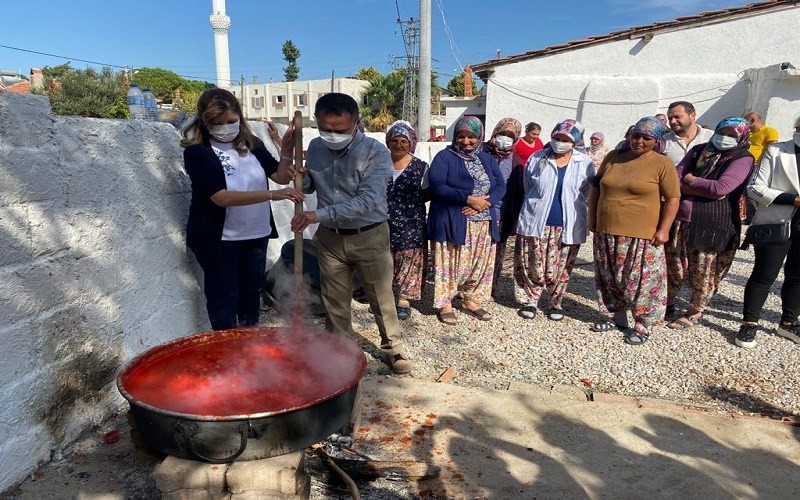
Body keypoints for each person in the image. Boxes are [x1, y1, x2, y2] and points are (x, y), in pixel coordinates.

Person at [290, 93, 411, 374]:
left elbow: (367, 200)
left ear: (356, 122)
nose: (331, 135)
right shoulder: (316, 147)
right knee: (335, 300)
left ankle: (393, 349)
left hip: (369, 234)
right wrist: (303, 177)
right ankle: (340, 352)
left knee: (380, 297)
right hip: (331, 239)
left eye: (340, 130)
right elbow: (310, 187)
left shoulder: (375, 152)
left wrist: (314, 215)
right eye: (325, 129)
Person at [181, 88, 304, 330]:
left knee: (250, 295)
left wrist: (286, 151)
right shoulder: (198, 152)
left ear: (240, 117)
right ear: (205, 121)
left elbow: (279, 176)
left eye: (231, 121)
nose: (225, 127)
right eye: (216, 123)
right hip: (218, 240)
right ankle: (227, 352)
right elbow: (220, 197)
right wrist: (272, 195)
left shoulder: (251, 144)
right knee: (223, 299)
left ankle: (249, 349)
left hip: (255, 234)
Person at [588, 116, 681, 345]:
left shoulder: (662, 163)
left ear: (656, 140)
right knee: (608, 276)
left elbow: (673, 198)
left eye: (646, 138)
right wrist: (592, 217)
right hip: (607, 229)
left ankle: (643, 324)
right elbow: (596, 189)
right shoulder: (613, 157)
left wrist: (664, 229)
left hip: (642, 234)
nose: (639, 141)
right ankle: (615, 317)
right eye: (636, 135)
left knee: (640, 281)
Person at [665, 117, 754, 329]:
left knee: (704, 270)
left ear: (741, 136)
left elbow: (721, 189)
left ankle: (695, 311)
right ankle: (666, 302)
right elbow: (674, 179)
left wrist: (691, 180)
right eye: (722, 132)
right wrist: (692, 185)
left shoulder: (742, 158)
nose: (724, 138)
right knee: (673, 265)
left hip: (714, 224)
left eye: (731, 135)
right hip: (682, 218)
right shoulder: (699, 150)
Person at [514, 120, 595, 321]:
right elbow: (528, 186)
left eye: (565, 139)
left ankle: (555, 303)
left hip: (567, 223)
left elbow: (586, 191)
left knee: (561, 266)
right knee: (534, 263)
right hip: (537, 220)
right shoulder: (537, 157)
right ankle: (531, 300)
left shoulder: (584, 162)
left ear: (575, 141)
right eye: (557, 138)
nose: (560, 142)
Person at [428, 116, 506, 325]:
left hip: (483, 223)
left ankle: (470, 298)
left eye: (471, 136)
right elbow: (437, 186)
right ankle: (445, 302)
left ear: (479, 136)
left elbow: (500, 186)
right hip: (453, 220)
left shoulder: (487, 158)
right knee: (450, 264)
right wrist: (469, 199)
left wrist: (486, 204)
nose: (466, 141)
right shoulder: (444, 157)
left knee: (477, 264)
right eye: (461, 136)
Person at [734, 118, 800, 349]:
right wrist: (792, 199)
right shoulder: (777, 151)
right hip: (777, 221)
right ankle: (749, 322)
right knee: (764, 274)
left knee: (797, 276)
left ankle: (789, 322)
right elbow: (754, 188)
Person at [385, 120, 428, 321]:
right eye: (395, 140)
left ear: (411, 143)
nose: (399, 145)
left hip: (411, 222)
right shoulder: (380, 163)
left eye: (404, 141)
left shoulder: (421, 167)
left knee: (409, 259)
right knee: (384, 260)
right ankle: (384, 297)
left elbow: (428, 193)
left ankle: (404, 299)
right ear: (388, 142)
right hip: (383, 221)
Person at [484, 117, 522, 299]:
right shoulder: (481, 151)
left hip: (501, 216)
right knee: (477, 252)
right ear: (495, 132)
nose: (505, 138)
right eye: (502, 134)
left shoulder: (516, 160)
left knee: (497, 253)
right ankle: (470, 289)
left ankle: (490, 289)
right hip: (478, 212)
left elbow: (517, 193)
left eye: (510, 136)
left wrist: (514, 220)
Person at [742, 111, 780, 223]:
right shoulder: (749, 133)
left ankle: (755, 218)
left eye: (746, 121)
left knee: (753, 191)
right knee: (746, 192)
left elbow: (773, 148)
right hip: (745, 165)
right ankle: (751, 217)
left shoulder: (769, 131)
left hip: (758, 165)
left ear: (752, 121)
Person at [662, 101, 714, 166]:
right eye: (670, 118)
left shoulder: (712, 137)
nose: (673, 122)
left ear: (692, 116)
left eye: (677, 117)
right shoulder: (663, 142)